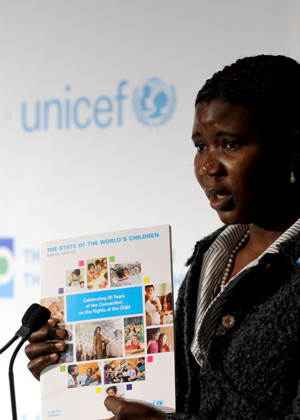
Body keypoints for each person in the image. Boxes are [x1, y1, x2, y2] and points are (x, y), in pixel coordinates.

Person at [25, 54, 300, 419]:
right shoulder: (209, 260)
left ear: (294, 151)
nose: (208, 166)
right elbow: (175, 398)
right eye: (200, 146)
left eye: (230, 144)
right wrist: (66, 371)